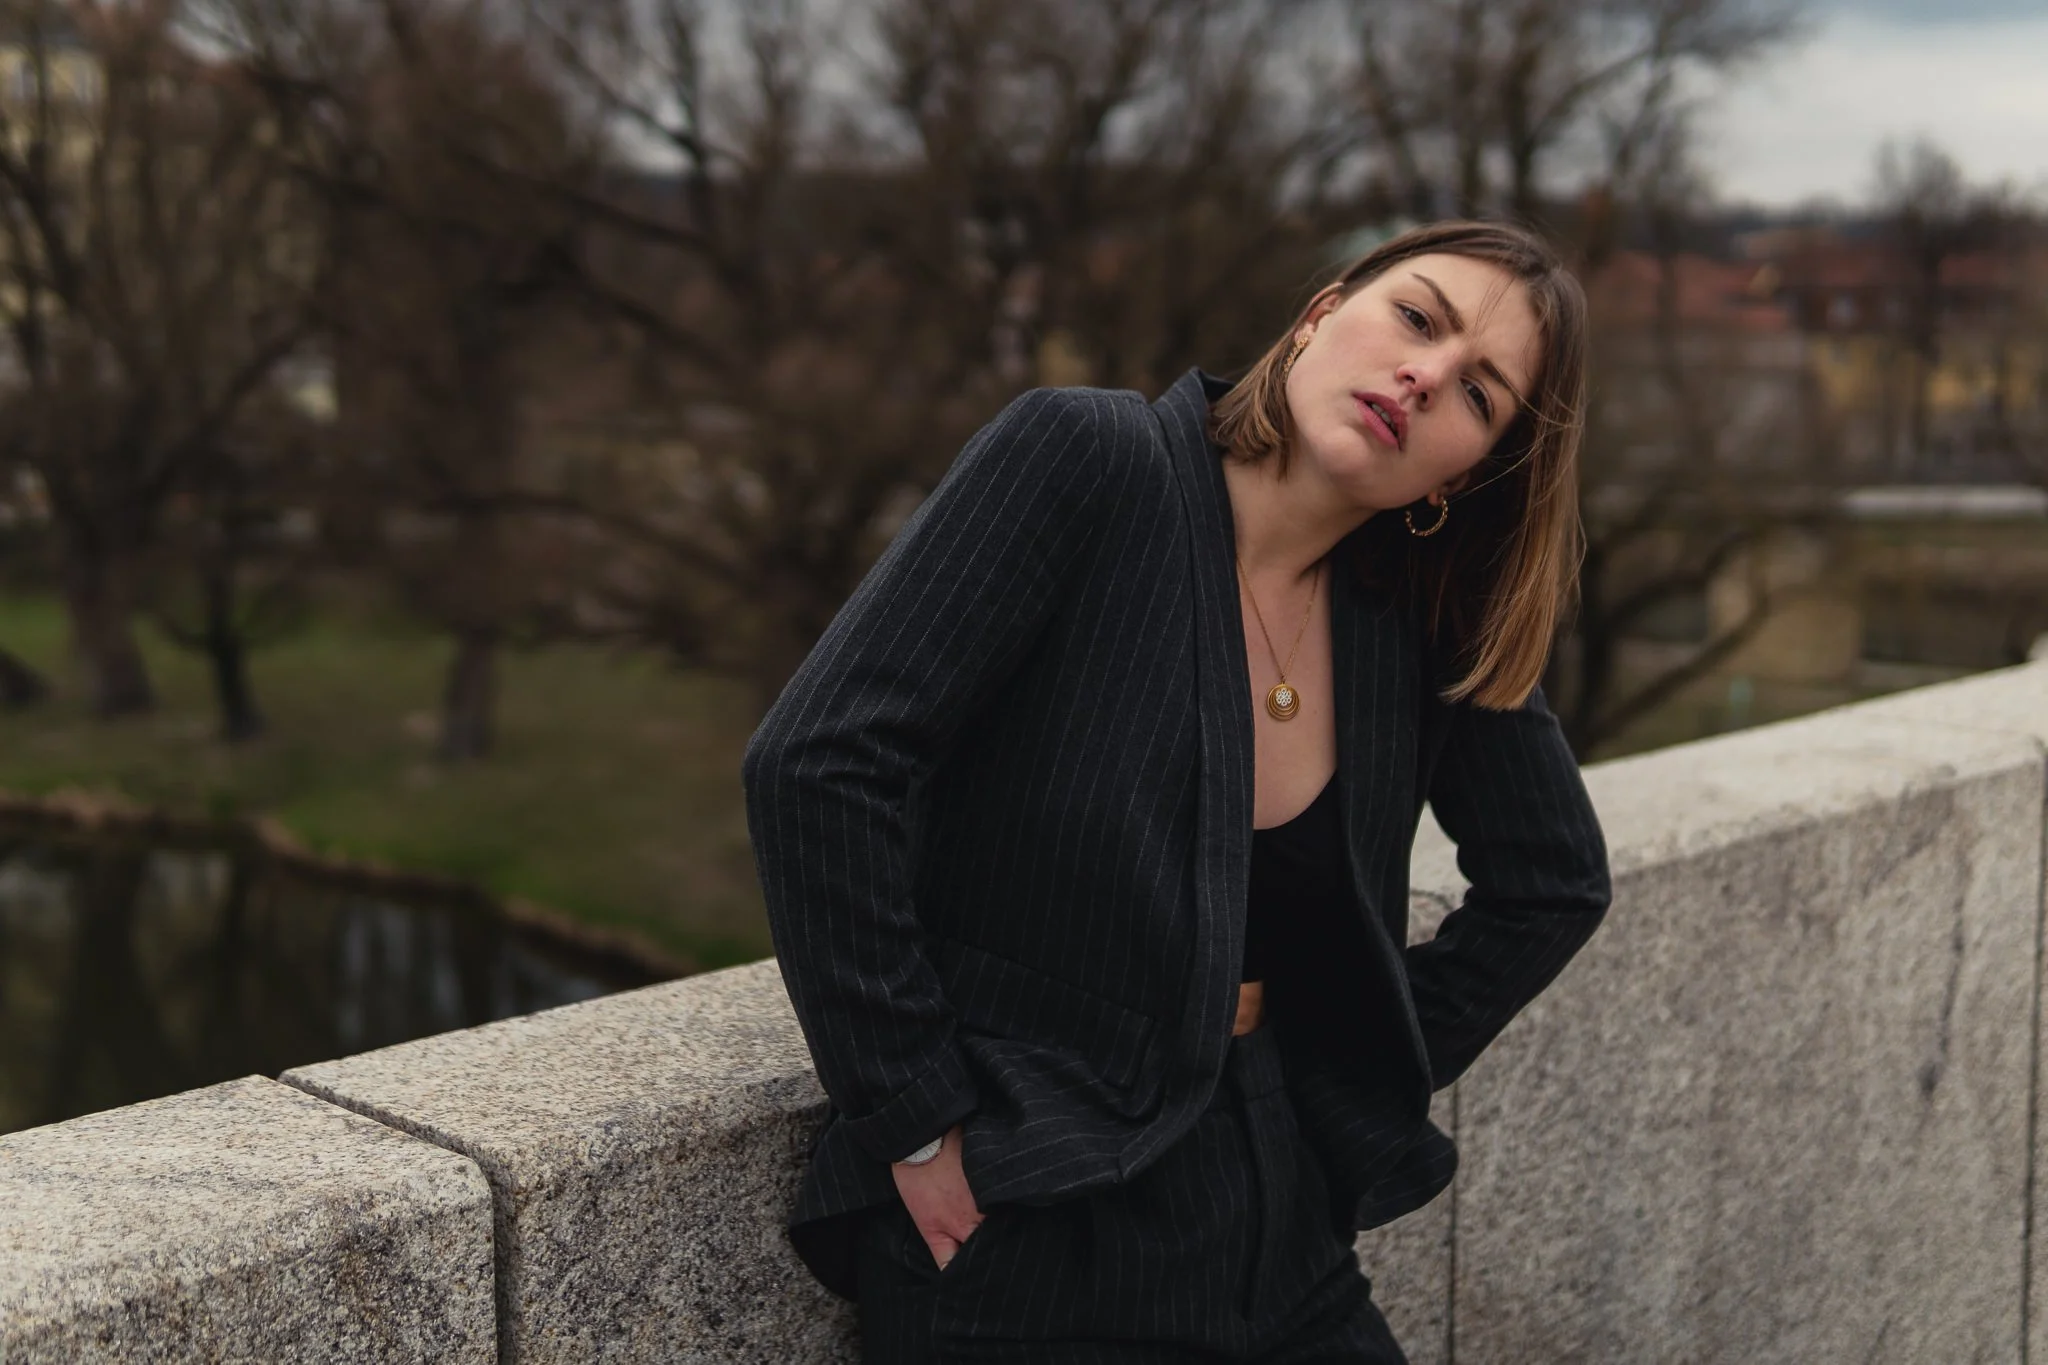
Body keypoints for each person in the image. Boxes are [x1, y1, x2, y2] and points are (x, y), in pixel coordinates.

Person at [742, 219, 1612, 1362]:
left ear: (1464, 471)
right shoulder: (1089, 461)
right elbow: (819, 763)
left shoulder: (1415, 609)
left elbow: (1552, 883)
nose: (1425, 375)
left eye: (1478, 394)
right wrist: (915, 1120)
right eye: (1415, 318)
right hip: (1030, 1215)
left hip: (1276, 1215)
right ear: (1318, 316)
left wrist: (1336, 1079)